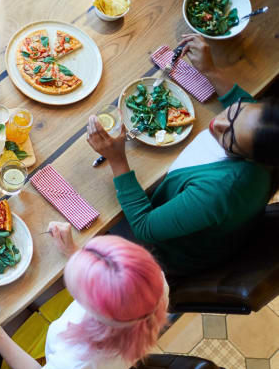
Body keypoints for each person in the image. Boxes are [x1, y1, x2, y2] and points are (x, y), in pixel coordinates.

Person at [87, 33, 278, 276]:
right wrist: (210, 70)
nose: (218, 124)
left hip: (164, 253)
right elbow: (247, 108)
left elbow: (144, 227)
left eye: (230, 137)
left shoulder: (220, 192)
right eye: (234, 112)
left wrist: (117, 159)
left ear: (250, 158)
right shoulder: (268, 137)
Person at [0, 224, 168, 369]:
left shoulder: (73, 364)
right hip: (82, 343)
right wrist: (76, 254)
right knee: (27, 286)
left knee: (4, 308)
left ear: (92, 306)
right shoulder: (154, 283)